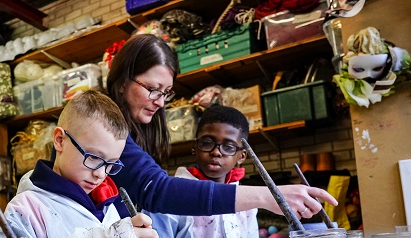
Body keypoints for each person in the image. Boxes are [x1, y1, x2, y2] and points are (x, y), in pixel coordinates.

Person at [106, 34, 337, 219]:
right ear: (122, 81)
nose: (160, 101)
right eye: (153, 89)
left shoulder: (135, 132)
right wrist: (269, 196)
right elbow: (156, 189)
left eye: (166, 92)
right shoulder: (102, 122)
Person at [0, 90, 168, 238]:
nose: (101, 174)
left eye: (111, 164)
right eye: (94, 157)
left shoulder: (108, 207)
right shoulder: (26, 210)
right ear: (59, 140)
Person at [143, 105, 267, 238]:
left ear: (242, 156)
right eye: (207, 142)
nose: (216, 152)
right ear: (195, 148)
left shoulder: (245, 202)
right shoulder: (171, 195)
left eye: (228, 146)